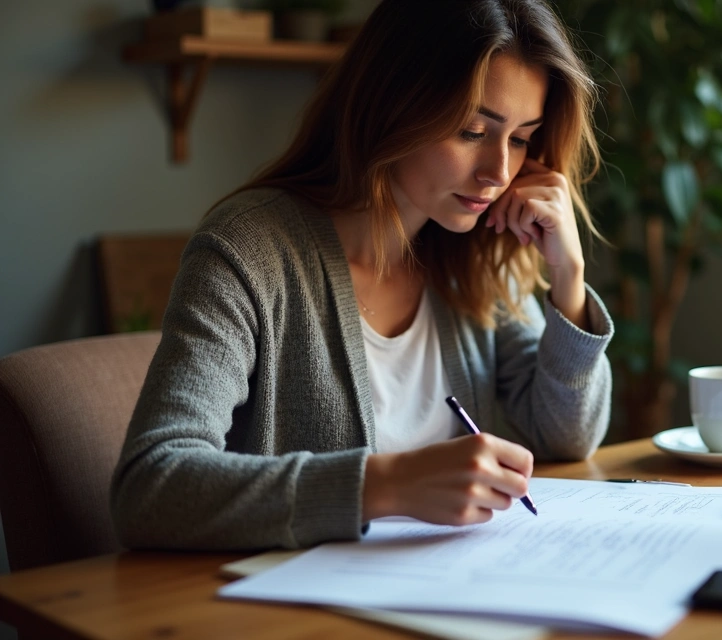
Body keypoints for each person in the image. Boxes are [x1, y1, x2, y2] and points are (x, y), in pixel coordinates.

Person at [110, 0, 613, 550]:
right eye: (473, 130)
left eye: (519, 139)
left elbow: (567, 437)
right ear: (392, 105)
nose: (498, 172)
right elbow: (151, 486)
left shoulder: (474, 262)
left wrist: (568, 276)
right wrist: (391, 483)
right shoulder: (248, 251)